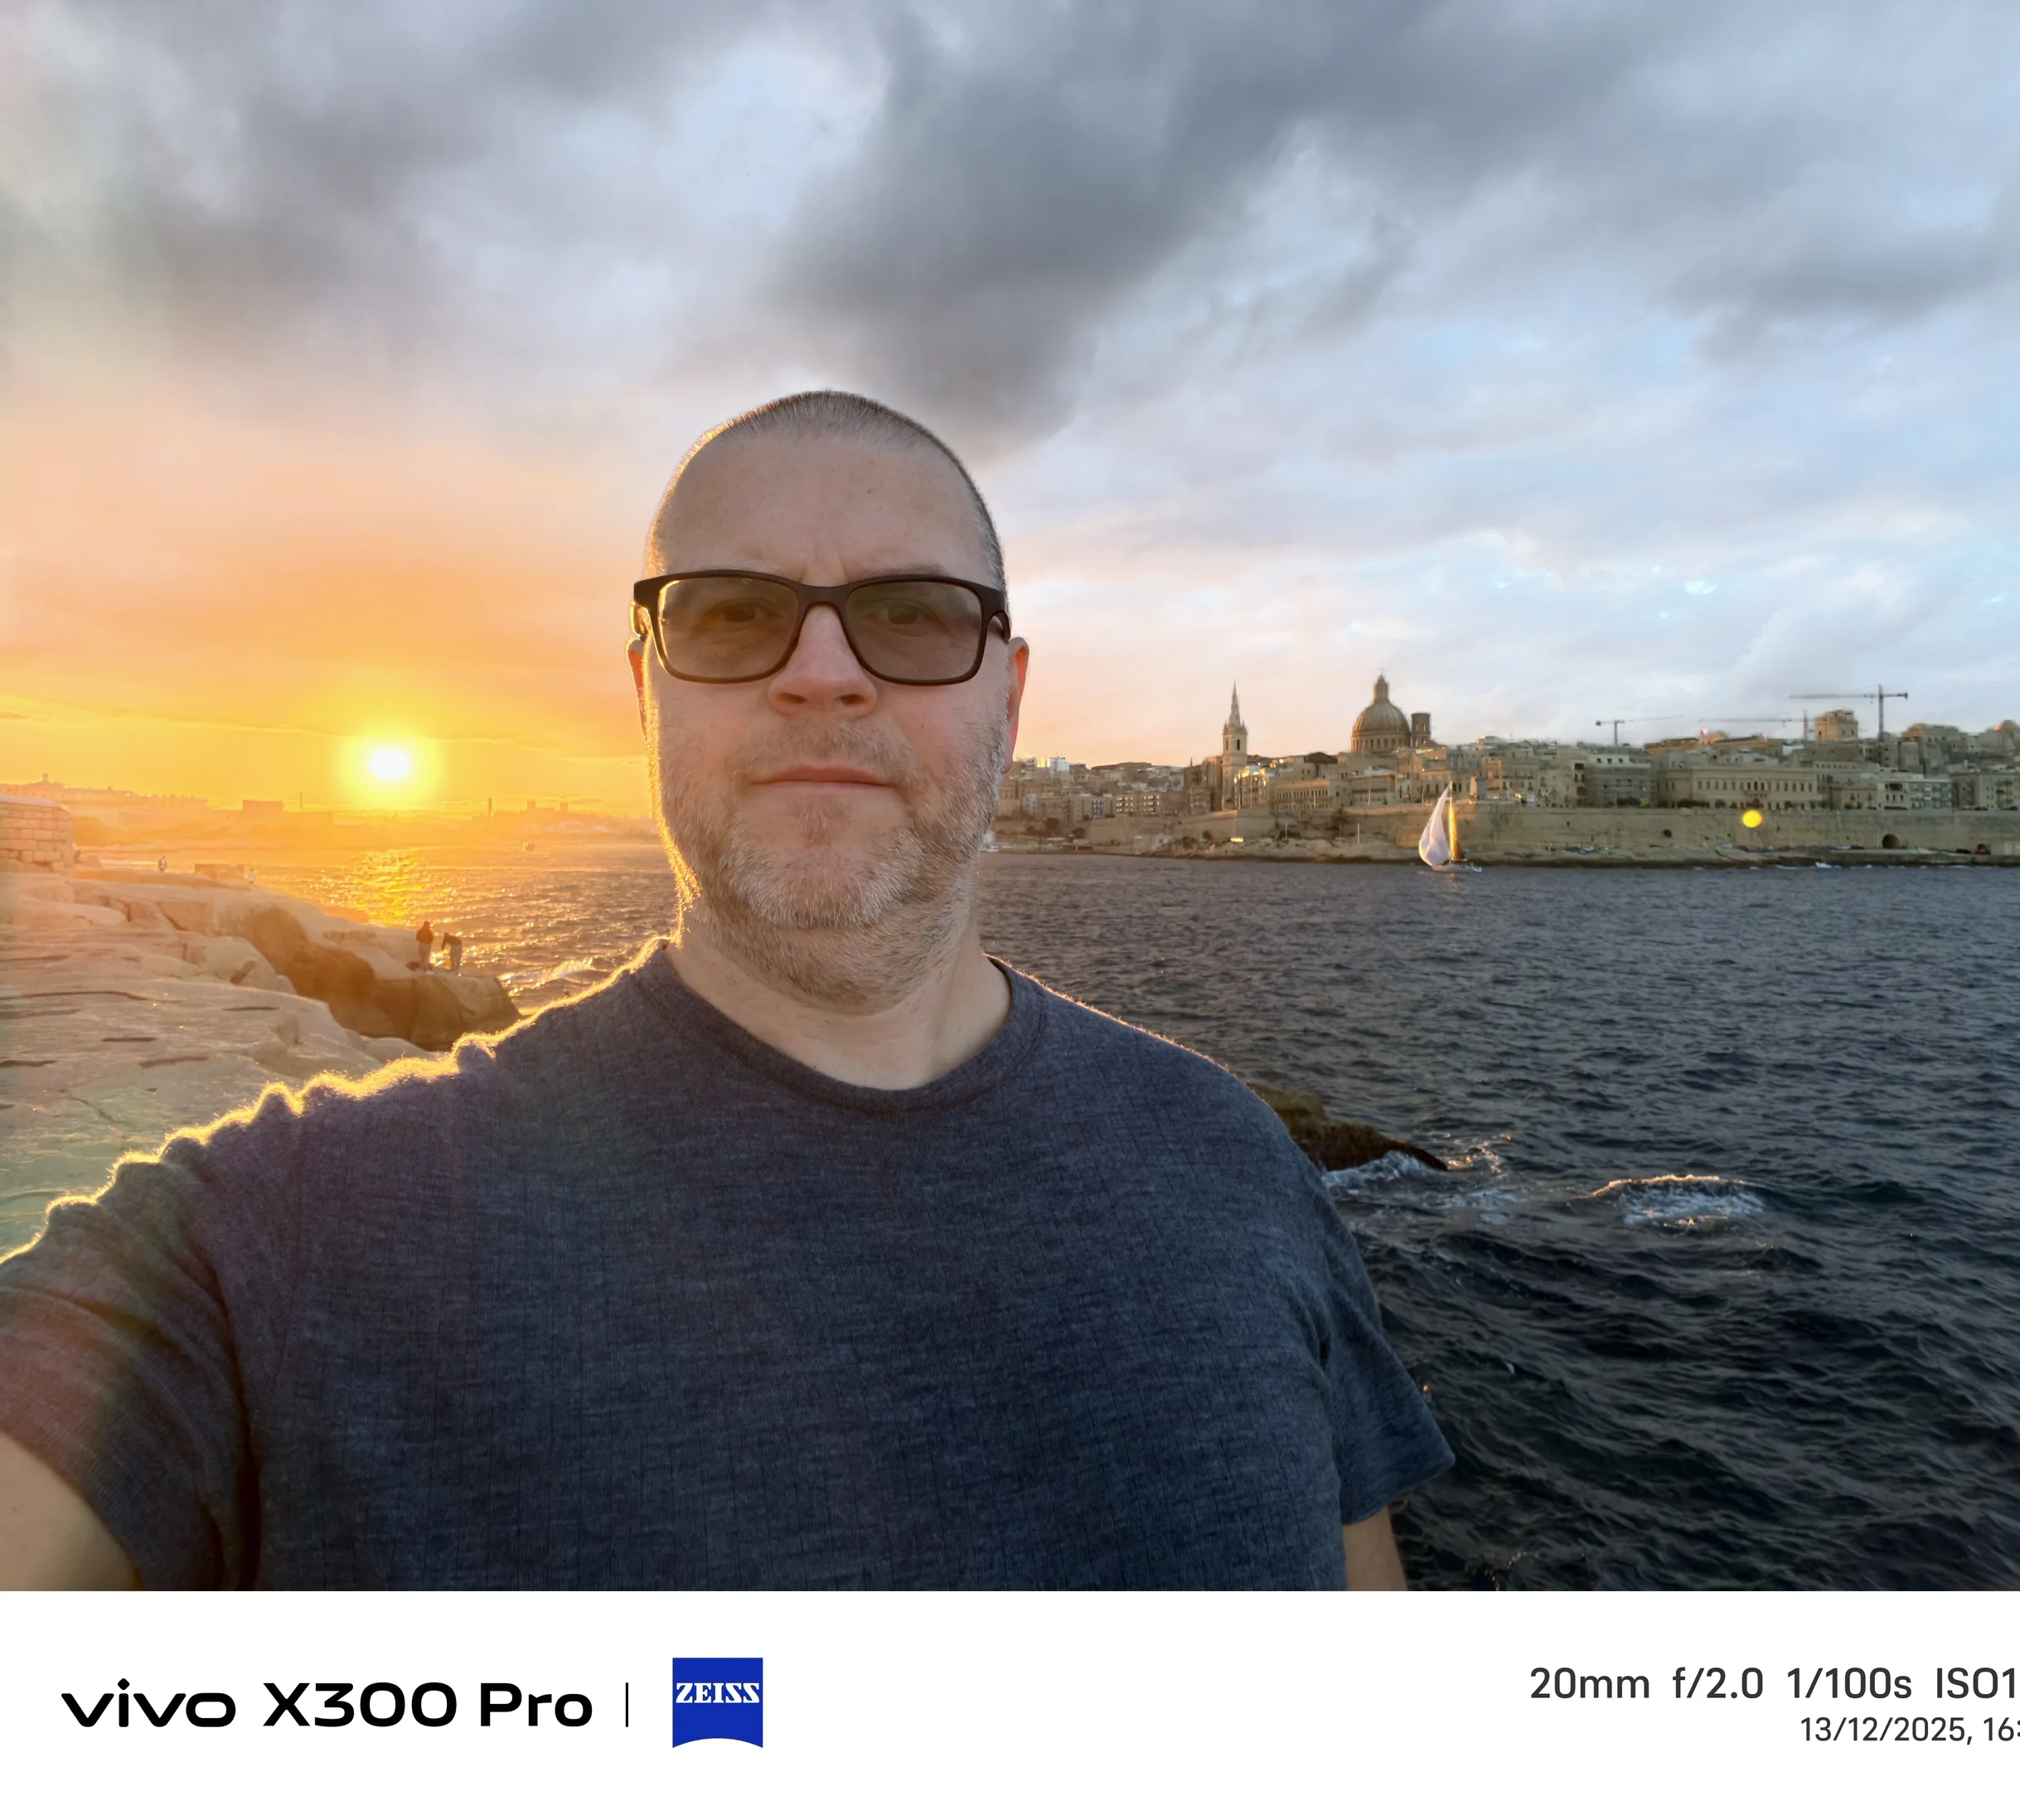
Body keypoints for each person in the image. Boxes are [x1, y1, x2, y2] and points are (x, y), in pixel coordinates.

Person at [0, 390, 1449, 1590]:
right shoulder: (266, 1246)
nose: (822, 675)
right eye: (731, 614)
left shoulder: (1237, 1167)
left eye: (913, 616)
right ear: (646, 692)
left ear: (1010, 698)